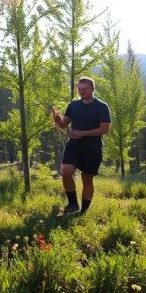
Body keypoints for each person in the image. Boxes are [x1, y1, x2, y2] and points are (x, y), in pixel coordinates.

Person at [51, 76, 111, 215]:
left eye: (84, 89)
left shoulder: (102, 107)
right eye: (79, 89)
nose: (81, 92)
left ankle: (83, 212)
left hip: (93, 148)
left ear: (92, 89)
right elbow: (63, 125)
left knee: (87, 178)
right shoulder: (73, 105)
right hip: (74, 145)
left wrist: (82, 133)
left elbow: (105, 130)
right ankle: (72, 204)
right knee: (65, 171)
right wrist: (57, 120)